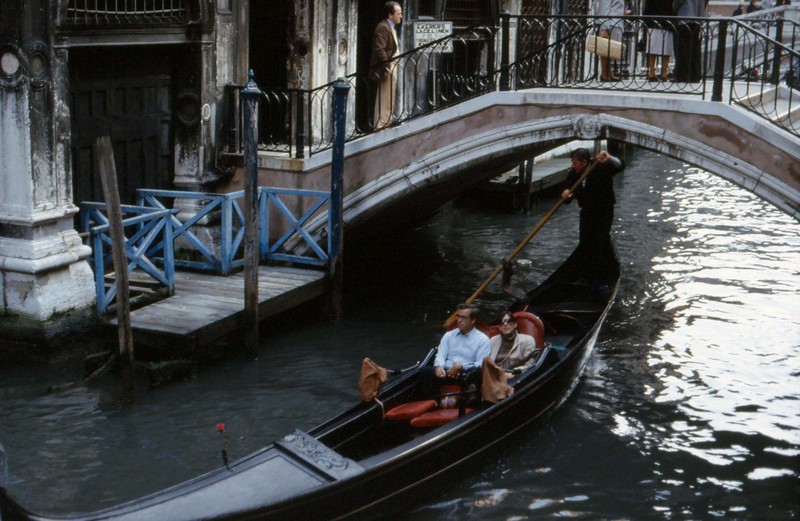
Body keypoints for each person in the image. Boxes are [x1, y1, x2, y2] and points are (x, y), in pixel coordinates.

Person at [560, 148, 624, 280]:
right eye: (572, 163)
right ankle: (587, 273)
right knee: (585, 241)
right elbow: (567, 195)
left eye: (575, 163)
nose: (573, 166)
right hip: (587, 211)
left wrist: (610, 157)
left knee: (601, 241)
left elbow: (620, 166)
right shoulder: (573, 174)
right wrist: (565, 194)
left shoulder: (600, 166)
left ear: (584, 162)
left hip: (604, 210)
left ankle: (602, 276)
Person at [421, 303, 491, 400]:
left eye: (464, 318)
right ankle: (434, 402)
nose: (459, 320)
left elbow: (480, 364)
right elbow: (440, 355)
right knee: (425, 370)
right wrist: (439, 367)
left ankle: (467, 401)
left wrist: (461, 366)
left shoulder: (483, 340)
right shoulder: (448, 335)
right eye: (458, 317)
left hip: (465, 373)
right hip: (446, 372)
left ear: (473, 320)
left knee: (474, 374)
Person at [370, 2, 402, 130]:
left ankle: (386, 122)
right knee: (384, 96)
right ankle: (381, 125)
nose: (401, 16)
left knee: (389, 96)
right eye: (398, 14)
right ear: (390, 15)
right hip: (388, 66)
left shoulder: (391, 27)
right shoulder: (383, 27)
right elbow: (380, 48)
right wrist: (387, 65)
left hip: (392, 65)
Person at [489, 312, 540, 378]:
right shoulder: (492, 340)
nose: (505, 324)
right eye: (502, 322)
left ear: (515, 324)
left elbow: (530, 365)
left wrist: (513, 373)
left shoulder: (527, 340)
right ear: (499, 327)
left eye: (508, 321)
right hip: (493, 377)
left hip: (515, 377)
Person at [595, 0, 630, 81]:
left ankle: (609, 73)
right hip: (610, 23)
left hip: (617, 23)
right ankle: (604, 74)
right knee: (605, 49)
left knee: (610, 51)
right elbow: (604, 9)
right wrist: (604, 27)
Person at [674, 0, 708, 83]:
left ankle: (683, 75)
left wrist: (674, 6)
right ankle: (695, 75)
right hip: (697, 18)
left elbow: (677, 3)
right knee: (695, 48)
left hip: (684, 17)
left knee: (683, 48)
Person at [643, 0, 675, 82]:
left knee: (652, 49)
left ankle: (652, 73)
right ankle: (664, 73)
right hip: (667, 20)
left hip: (653, 21)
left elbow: (647, 7)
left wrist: (645, 22)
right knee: (666, 49)